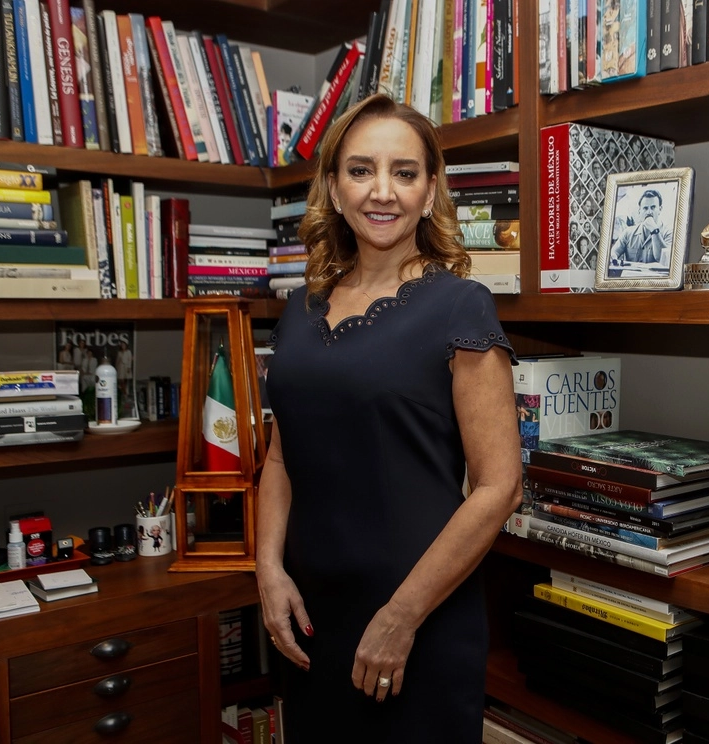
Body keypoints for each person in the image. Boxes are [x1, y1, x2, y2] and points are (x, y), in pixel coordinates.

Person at [256, 93, 522, 743]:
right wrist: (267, 570)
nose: (382, 191)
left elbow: (499, 487)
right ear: (333, 187)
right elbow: (282, 456)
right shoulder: (300, 308)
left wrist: (401, 617)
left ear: (429, 192)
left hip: (418, 618)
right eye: (360, 170)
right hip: (310, 615)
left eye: (404, 173)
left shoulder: (461, 306)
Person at [610, 188, 673, 265]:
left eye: (653, 207)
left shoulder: (669, 233)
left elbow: (663, 259)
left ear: (660, 209)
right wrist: (613, 257)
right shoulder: (628, 232)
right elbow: (613, 253)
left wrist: (654, 230)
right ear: (639, 211)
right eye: (645, 208)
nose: (649, 212)